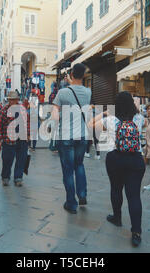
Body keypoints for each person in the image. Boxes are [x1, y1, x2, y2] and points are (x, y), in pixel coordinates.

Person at [88, 91, 146, 247]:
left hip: (116, 158)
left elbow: (90, 125)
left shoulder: (111, 119)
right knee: (134, 196)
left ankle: (117, 218)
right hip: (136, 159)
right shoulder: (139, 118)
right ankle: (136, 232)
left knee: (116, 189)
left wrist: (105, 113)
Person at [52, 63, 91, 214]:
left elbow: (55, 116)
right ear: (83, 76)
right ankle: (82, 194)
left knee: (68, 171)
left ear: (71, 75)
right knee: (79, 165)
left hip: (66, 136)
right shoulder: (88, 92)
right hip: (82, 135)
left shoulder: (62, 93)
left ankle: (71, 203)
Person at [0, 91, 30, 187]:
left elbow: (27, 122)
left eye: (14, 100)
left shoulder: (22, 109)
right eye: (11, 100)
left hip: (22, 139)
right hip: (8, 140)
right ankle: (5, 178)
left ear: (17, 100)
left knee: (21, 159)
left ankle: (18, 178)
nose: (12, 102)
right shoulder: (4, 111)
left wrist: (28, 135)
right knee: (7, 160)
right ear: (9, 100)